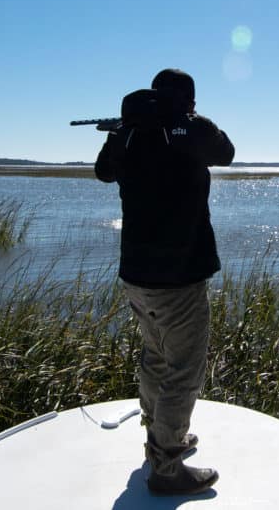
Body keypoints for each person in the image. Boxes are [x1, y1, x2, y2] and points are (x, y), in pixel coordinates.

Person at [94, 68, 235, 496]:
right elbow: (225, 152)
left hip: (137, 275)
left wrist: (127, 129)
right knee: (184, 372)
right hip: (180, 277)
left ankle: (159, 441)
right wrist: (188, 120)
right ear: (188, 101)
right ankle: (167, 466)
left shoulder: (131, 134)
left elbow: (103, 172)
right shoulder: (188, 131)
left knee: (156, 358)